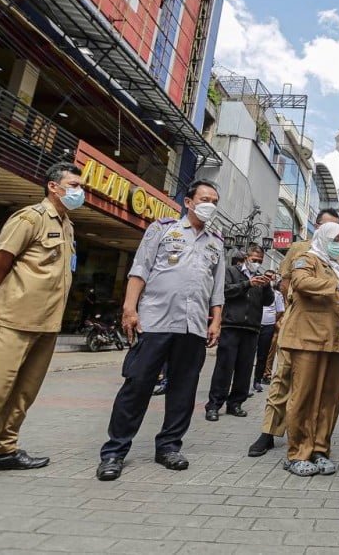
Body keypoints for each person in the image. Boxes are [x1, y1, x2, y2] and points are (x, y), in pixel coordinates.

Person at [0, 163, 82, 491]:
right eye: (75, 184)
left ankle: (5, 451)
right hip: (13, 319)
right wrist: (9, 288)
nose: (81, 192)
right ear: (54, 186)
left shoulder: (67, 225)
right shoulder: (30, 217)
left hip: (47, 322)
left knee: (23, 393)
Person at [96, 180, 224, 481]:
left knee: (183, 390)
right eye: (205, 198)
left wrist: (216, 319)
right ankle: (114, 451)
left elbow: (216, 288)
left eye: (215, 201)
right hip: (155, 321)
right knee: (137, 385)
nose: (210, 204)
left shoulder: (217, 242)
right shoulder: (162, 229)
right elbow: (139, 269)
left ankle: (169, 446)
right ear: (189, 202)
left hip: (193, 327)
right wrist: (130, 308)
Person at [248, 208, 339, 458]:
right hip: (298, 321)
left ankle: (309, 439)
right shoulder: (301, 250)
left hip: (327, 329)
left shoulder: (337, 256)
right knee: (283, 377)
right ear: (317, 226)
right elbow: (287, 281)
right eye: (328, 227)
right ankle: (269, 431)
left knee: (316, 387)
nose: (334, 235)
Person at [279, 222, 339, 475]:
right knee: (304, 396)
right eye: (337, 239)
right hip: (308, 337)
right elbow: (300, 283)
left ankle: (320, 449)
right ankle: (297, 452)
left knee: (329, 399)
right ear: (324, 237)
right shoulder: (307, 258)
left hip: (334, 339)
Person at [206, 245, 273, 421]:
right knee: (224, 367)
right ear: (246, 257)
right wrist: (247, 284)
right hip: (231, 326)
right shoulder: (231, 271)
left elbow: (268, 301)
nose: (257, 263)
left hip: (252, 328)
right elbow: (225, 291)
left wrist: (267, 286)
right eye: (254, 259)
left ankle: (235, 403)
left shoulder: (262, 277)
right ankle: (214, 405)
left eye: (260, 260)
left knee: (244, 369)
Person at [255, 273, 285, 393]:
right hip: (254, 325)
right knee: (248, 355)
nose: (269, 278)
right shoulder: (255, 289)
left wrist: (272, 320)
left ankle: (257, 380)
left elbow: (280, 310)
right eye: (266, 276)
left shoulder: (276, 294)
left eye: (271, 277)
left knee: (263, 355)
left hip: (268, 326)